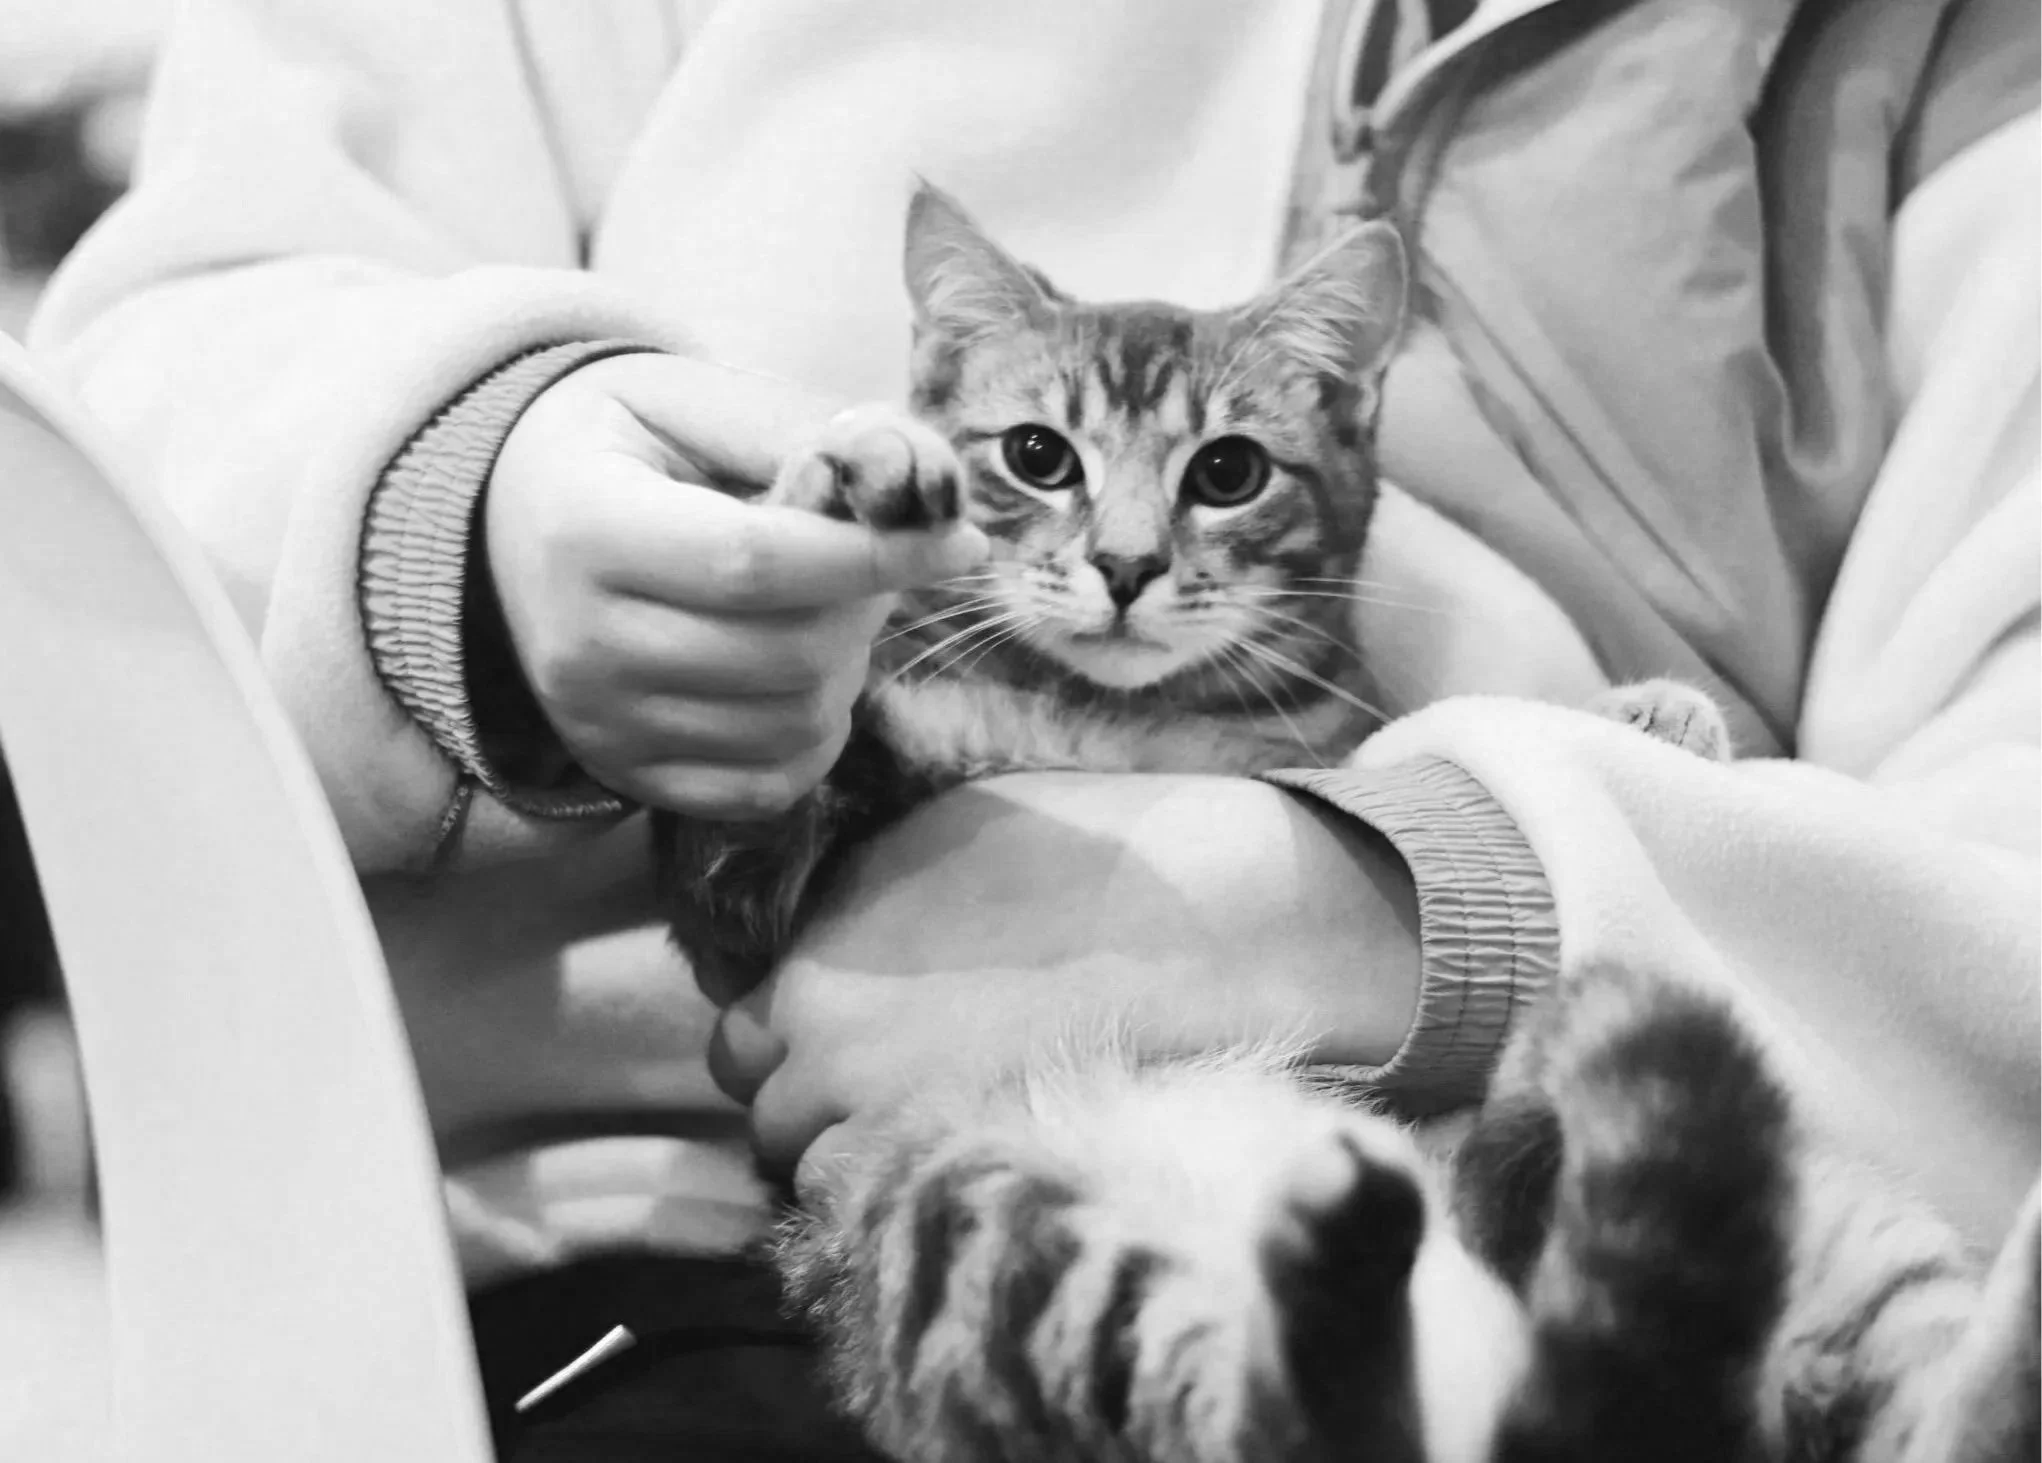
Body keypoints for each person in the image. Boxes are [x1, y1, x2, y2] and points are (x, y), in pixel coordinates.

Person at [27, 0, 2040, 1456]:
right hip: (654, 1230)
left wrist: (1426, 892)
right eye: (1048, 469)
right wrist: (485, 497)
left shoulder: (1957, 69)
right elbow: (150, 378)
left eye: (1217, 481)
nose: (1134, 555)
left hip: (1537, 1150)